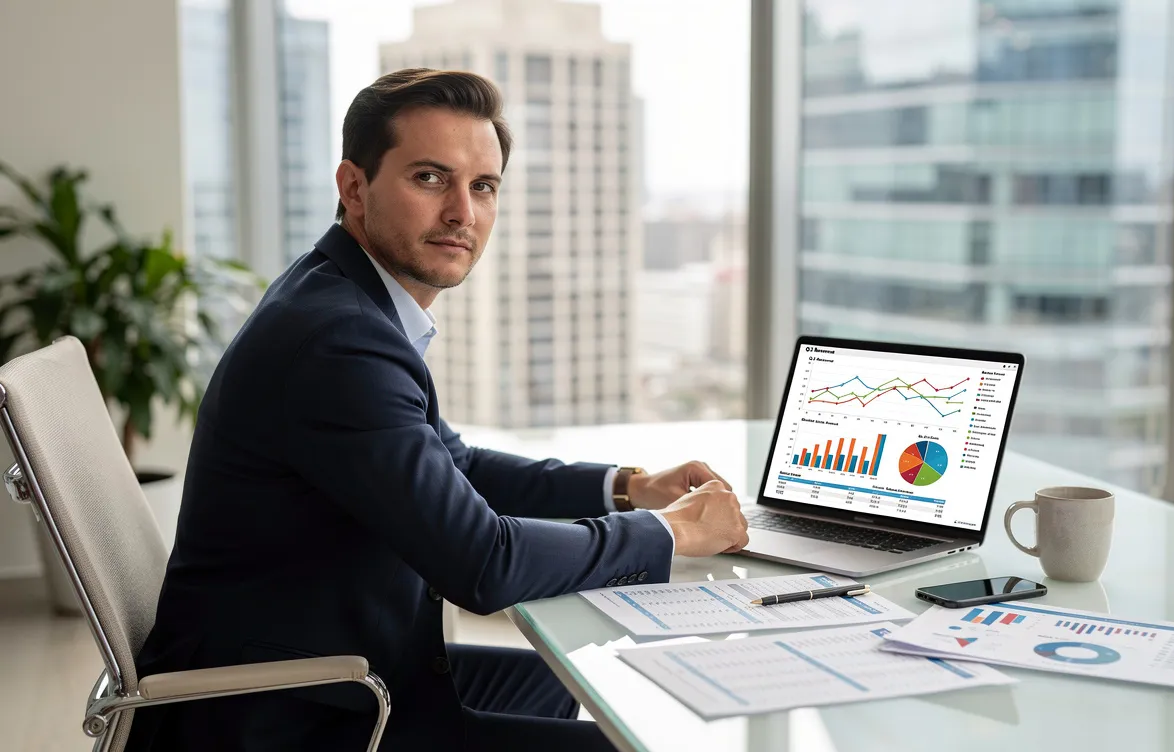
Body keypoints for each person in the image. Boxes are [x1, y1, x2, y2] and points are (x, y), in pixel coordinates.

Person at [127, 68, 748, 752]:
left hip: (339, 667)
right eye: (430, 178)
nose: (462, 213)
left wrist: (628, 488)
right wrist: (670, 532)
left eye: (483, 187)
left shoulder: (341, 296)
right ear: (354, 187)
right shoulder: (341, 341)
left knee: (573, 681)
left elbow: (458, 467)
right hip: (286, 716)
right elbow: (483, 564)